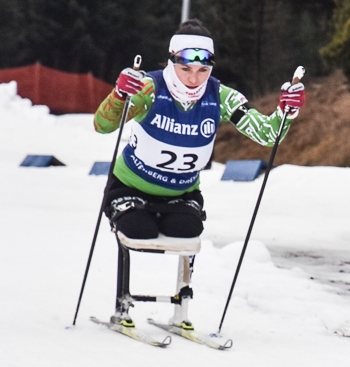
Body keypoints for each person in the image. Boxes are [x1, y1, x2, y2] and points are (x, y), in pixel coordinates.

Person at [93, 18, 306, 241]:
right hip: (129, 188)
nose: (194, 78)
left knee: (185, 230)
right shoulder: (149, 88)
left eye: (203, 69)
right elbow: (103, 125)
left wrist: (286, 110)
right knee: (139, 230)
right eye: (185, 68)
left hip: (182, 195)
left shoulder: (220, 96)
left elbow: (268, 135)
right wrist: (119, 95)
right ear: (171, 62)